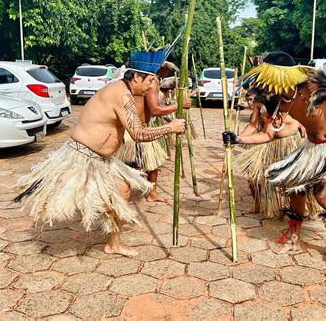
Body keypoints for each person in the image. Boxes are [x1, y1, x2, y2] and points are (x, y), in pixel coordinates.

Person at [14, 48, 186, 256]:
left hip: (102, 159)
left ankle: (112, 244)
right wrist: (171, 127)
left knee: (122, 193)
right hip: (81, 156)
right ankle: (102, 222)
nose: (152, 86)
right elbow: (139, 133)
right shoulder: (121, 95)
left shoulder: (123, 91)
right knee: (110, 197)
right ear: (137, 77)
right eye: (150, 81)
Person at [224, 64, 326, 257]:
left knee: (321, 195)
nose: (266, 88)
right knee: (296, 190)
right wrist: (238, 139)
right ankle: (294, 239)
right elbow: (267, 135)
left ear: (281, 78)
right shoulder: (277, 101)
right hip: (310, 148)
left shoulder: (313, 87)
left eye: (268, 83)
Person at [115, 63, 197, 203]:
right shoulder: (151, 81)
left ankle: (149, 193)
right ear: (162, 69)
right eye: (168, 71)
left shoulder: (140, 80)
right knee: (133, 165)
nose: (168, 75)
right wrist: (179, 105)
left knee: (151, 164)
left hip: (134, 126)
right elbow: (155, 110)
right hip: (138, 128)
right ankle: (127, 195)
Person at [234, 87, 318, 220]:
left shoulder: (288, 100)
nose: (250, 103)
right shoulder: (259, 106)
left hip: (289, 143)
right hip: (267, 141)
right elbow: (252, 126)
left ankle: (302, 207)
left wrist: (304, 127)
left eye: (252, 100)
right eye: (249, 100)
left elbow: (305, 116)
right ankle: (257, 204)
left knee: (293, 179)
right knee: (252, 174)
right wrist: (236, 139)